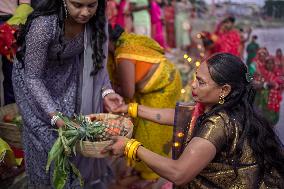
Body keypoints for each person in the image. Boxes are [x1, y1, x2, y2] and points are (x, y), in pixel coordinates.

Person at [104, 53, 284, 188]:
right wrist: (130, 109)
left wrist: (130, 147)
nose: (193, 85)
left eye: (201, 82)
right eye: (195, 77)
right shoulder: (221, 106)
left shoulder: (219, 123)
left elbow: (179, 173)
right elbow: (178, 116)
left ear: (224, 90)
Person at [12, 0, 123, 188]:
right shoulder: (44, 25)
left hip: (67, 78)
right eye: (77, 5)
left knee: (70, 144)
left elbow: (97, 62)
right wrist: (54, 115)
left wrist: (107, 91)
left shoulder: (96, 21)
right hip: (34, 84)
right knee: (46, 145)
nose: (85, 12)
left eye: (91, 5)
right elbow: (32, 77)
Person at [107, 25, 182, 185]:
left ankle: (148, 174)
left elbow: (128, 92)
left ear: (106, 41)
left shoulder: (123, 53)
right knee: (151, 127)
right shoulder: (129, 40)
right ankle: (143, 169)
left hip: (161, 89)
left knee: (150, 131)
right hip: (168, 80)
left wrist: (108, 89)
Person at [0, 0, 33, 105]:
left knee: (12, 72)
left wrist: (11, 26)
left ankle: (10, 112)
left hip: (10, 22)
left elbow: (25, 4)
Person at [254, 55, 283, 126]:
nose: (270, 65)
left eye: (271, 63)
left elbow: (279, 84)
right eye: (268, 63)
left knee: (272, 121)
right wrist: (265, 85)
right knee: (261, 120)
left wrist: (267, 85)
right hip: (261, 102)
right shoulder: (261, 73)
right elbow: (254, 84)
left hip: (273, 102)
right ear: (265, 64)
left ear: (274, 64)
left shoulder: (278, 74)